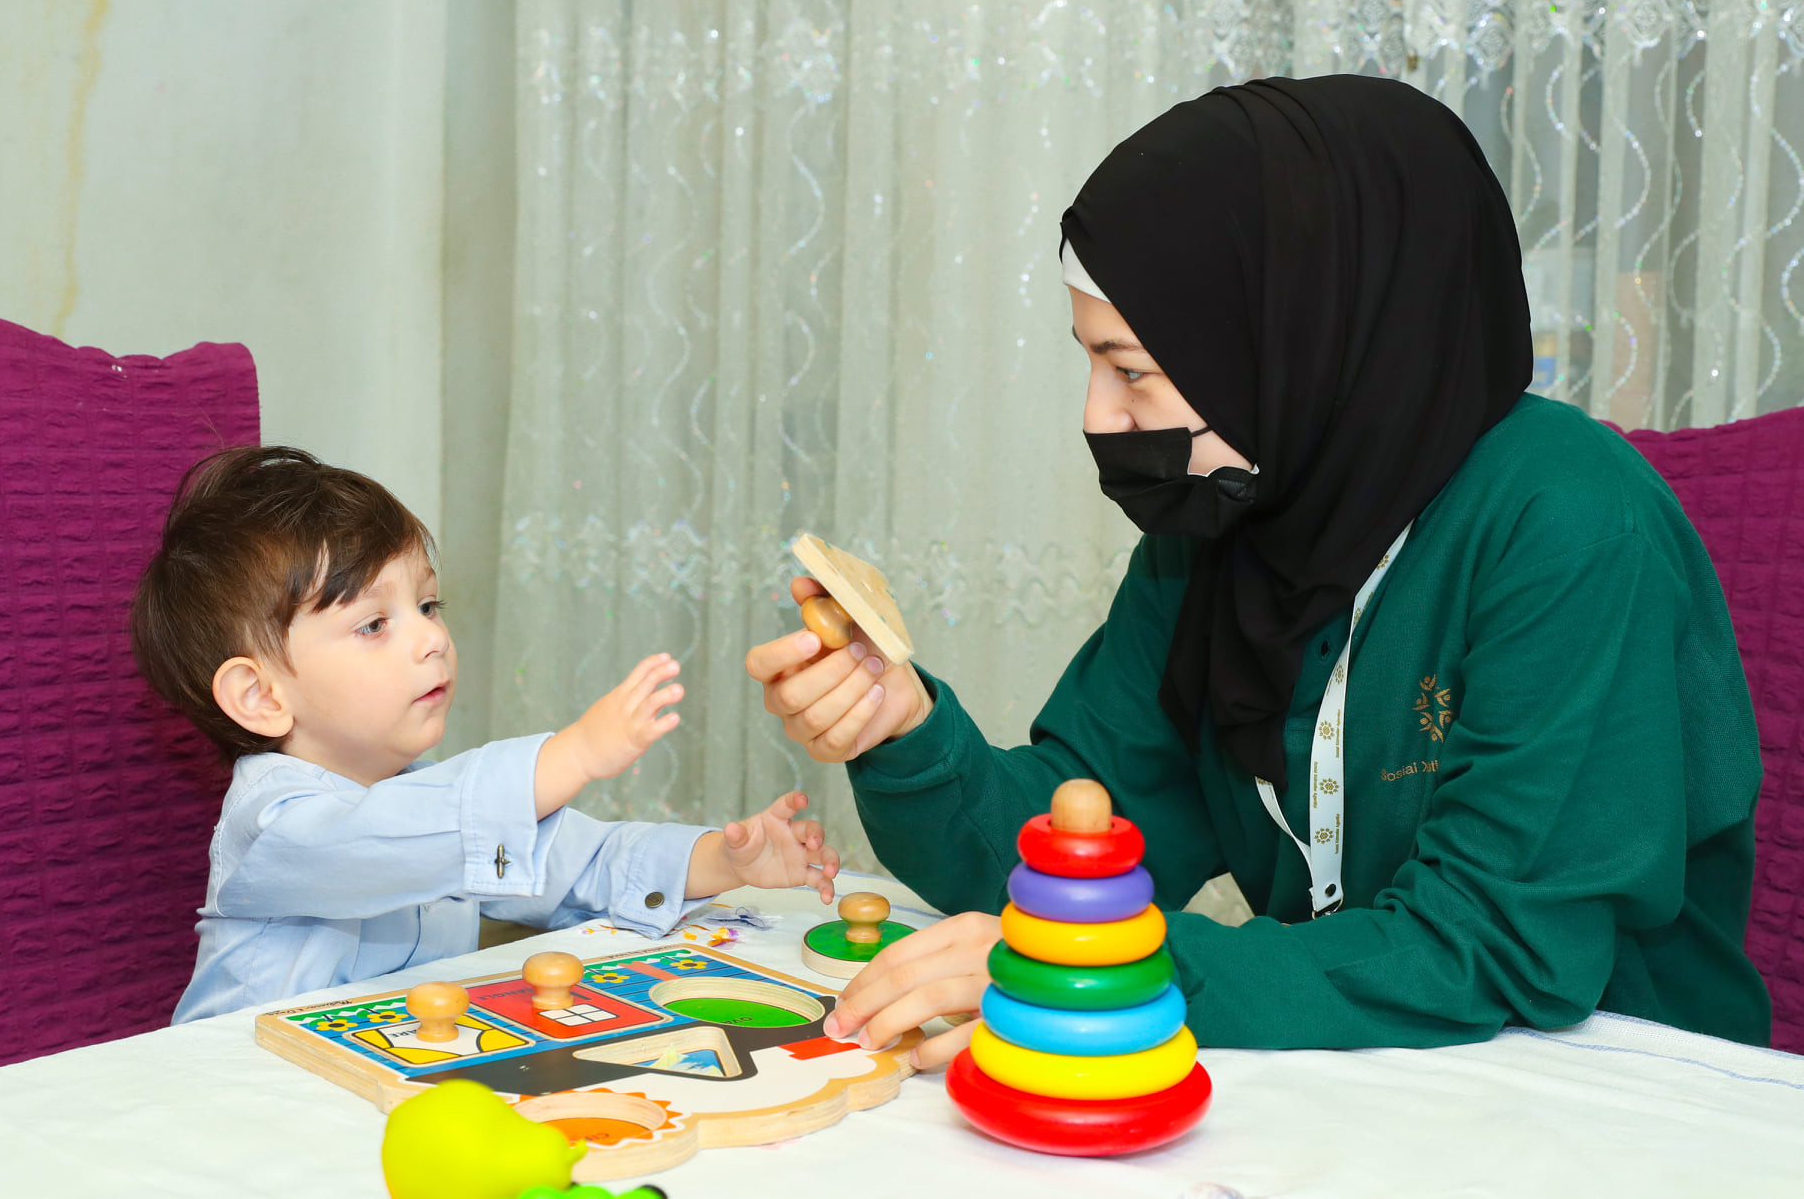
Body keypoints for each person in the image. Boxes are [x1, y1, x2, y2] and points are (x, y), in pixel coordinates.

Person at [745, 74, 1771, 1063]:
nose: (1099, 417)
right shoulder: (1231, 522)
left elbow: (1496, 944)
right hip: (1355, 1067)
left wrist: (1121, 963)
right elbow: (1067, 848)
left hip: (1607, 1088)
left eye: (1132, 370)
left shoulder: (1570, 524)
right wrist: (905, 729)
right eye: (1092, 360)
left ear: (1294, 341)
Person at [133, 446, 839, 1023]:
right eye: (374, 624)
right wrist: (573, 754)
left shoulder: (432, 800)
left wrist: (727, 859)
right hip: (240, 1093)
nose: (432, 639)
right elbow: (394, 838)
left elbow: (581, 864)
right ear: (261, 697)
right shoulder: (273, 828)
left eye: (428, 604)